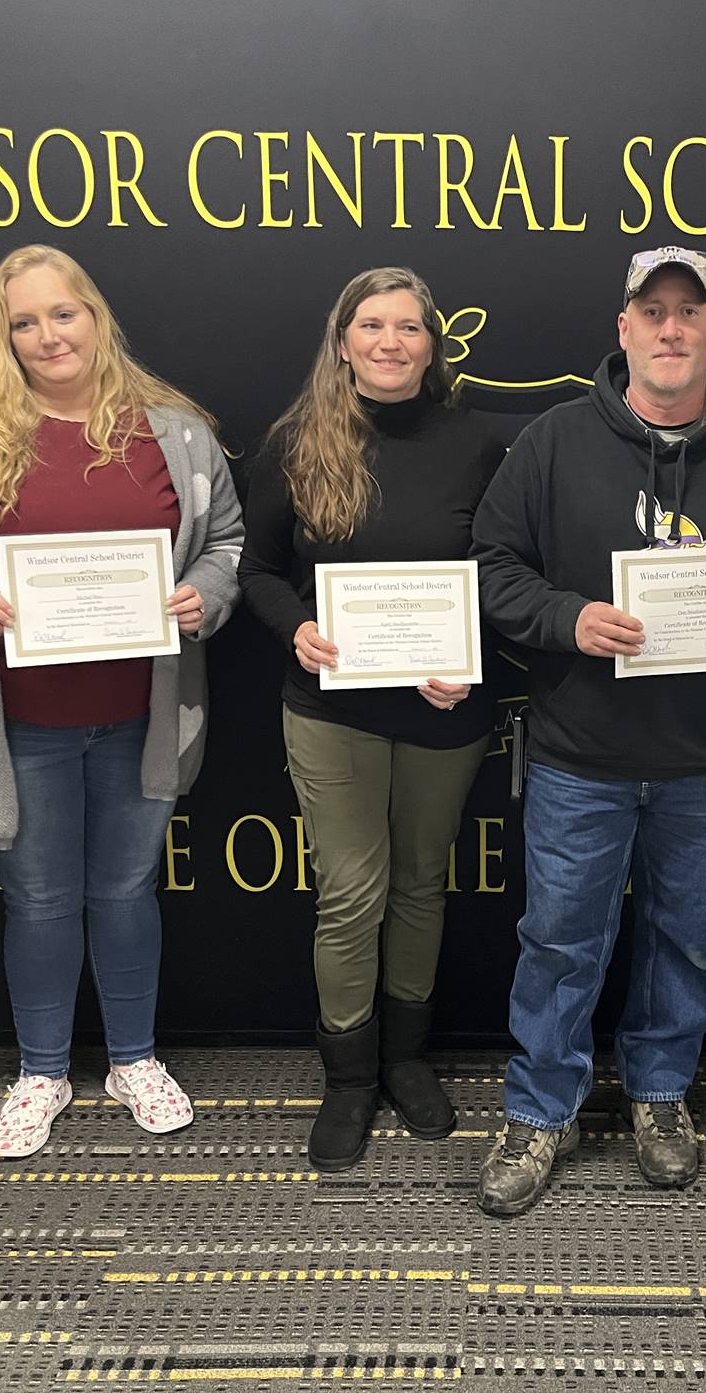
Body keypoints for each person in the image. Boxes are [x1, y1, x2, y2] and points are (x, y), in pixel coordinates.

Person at [469, 245, 706, 1217]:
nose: (672, 328)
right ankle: (540, 1106)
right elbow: (494, 568)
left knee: (687, 941)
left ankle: (661, 1092)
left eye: (691, 311)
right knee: (559, 941)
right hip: (577, 758)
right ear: (624, 328)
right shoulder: (552, 442)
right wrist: (570, 620)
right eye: (654, 311)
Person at [0, 245, 243, 1159]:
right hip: (22, 724)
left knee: (125, 891)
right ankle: (41, 1069)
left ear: (96, 316)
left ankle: (133, 1059)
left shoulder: (175, 433)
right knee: (39, 902)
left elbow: (227, 541)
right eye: (24, 322)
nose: (48, 335)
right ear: (1, 337)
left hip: (143, 714)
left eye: (63, 313)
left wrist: (206, 593)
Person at [239, 267, 506, 1171]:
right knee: (353, 893)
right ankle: (350, 1077)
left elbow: (504, 574)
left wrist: (468, 658)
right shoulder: (298, 442)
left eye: (408, 328)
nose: (391, 342)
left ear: (433, 344)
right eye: (371, 325)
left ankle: (407, 1060)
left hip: (444, 709)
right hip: (331, 709)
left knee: (423, 885)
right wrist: (299, 630)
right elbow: (258, 572)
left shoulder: (476, 443)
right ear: (342, 339)